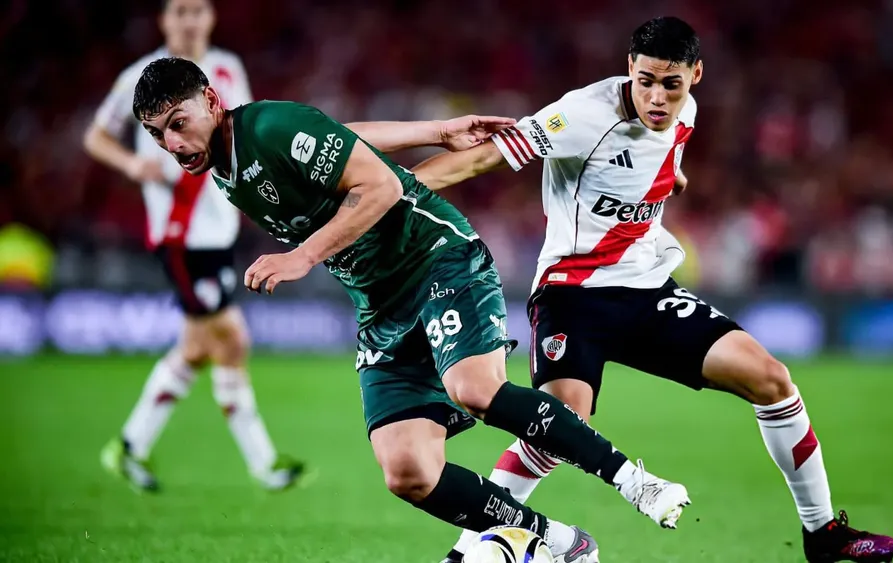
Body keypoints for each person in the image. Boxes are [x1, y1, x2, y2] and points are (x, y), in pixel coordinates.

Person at [130, 55, 697, 563]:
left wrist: (302, 256)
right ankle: (555, 543)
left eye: (179, 124)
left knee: (474, 388)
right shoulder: (224, 158)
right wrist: (433, 131)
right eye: (158, 136)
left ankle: (634, 481)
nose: (173, 144)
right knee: (406, 470)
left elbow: (382, 189)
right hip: (381, 304)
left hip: (436, 259)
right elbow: (337, 139)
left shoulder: (267, 126)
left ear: (211, 100)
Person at [412, 16, 893, 563]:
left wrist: (676, 177)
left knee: (773, 379)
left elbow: (661, 157)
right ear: (629, 68)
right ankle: (463, 554)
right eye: (645, 80)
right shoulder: (580, 115)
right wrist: (396, 191)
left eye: (671, 84)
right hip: (572, 295)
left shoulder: (684, 113)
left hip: (646, 290)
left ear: (696, 75)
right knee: (556, 428)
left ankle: (823, 534)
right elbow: (482, 157)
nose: (657, 96)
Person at [83, 0, 305, 492]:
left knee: (200, 347)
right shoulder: (140, 78)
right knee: (230, 340)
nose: (189, 20)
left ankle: (130, 445)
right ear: (163, 20)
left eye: (197, 10)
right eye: (179, 11)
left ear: (211, 17)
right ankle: (263, 465)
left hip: (218, 228)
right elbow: (96, 136)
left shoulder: (227, 68)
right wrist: (131, 165)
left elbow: (242, 130)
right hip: (180, 234)